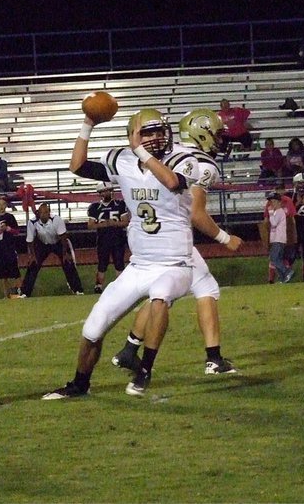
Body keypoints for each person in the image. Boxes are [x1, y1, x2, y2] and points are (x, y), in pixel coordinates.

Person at [43, 108, 200, 400]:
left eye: (158, 131)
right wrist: (87, 124)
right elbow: (77, 166)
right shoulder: (122, 159)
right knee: (93, 327)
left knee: (161, 296)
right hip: (139, 265)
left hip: (175, 263)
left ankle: (145, 370)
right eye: (147, 132)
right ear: (132, 136)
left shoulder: (183, 158)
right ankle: (80, 384)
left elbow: (172, 182)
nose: (155, 138)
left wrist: (140, 151)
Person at [111, 108, 243, 376]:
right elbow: (195, 212)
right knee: (204, 286)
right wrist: (225, 238)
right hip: (170, 239)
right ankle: (213, 358)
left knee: (163, 295)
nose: (220, 140)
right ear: (202, 133)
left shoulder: (173, 152)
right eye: (216, 134)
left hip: (150, 235)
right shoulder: (200, 163)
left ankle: (128, 349)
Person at [20, 202, 84, 297]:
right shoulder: (32, 222)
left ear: (49, 212)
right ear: (38, 213)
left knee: (68, 263)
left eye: (46, 212)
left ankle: (77, 289)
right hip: (42, 244)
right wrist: (32, 256)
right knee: (33, 265)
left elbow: (63, 237)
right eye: (41, 213)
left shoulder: (56, 220)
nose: (43, 215)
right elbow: (30, 240)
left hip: (58, 242)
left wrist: (65, 254)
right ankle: (25, 292)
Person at [87, 182, 129, 294]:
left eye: (109, 190)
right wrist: (104, 224)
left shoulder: (120, 204)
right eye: (105, 191)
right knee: (102, 264)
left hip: (117, 239)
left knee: (119, 263)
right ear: (100, 193)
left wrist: (113, 223)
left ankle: (121, 285)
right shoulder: (95, 207)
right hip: (103, 239)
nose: (108, 193)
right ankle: (99, 286)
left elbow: (125, 222)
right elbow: (90, 225)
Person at [0, 196, 22, 298]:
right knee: (3, 274)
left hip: (9, 246)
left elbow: (16, 231)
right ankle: (6, 295)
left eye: (3, 204)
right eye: (0, 204)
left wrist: (7, 229)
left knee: (15, 271)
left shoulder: (10, 217)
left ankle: (20, 291)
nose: (2, 207)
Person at [266, 192, 292, 283]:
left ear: (278, 202)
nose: (271, 204)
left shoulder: (279, 211)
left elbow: (273, 223)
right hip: (277, 239)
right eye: (270, 202)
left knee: (274, 259)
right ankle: (283, 278)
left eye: (273, 201)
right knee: (278, 258)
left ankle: (287, 272)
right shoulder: (278, 212)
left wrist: (270, 212)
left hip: (278, 239)